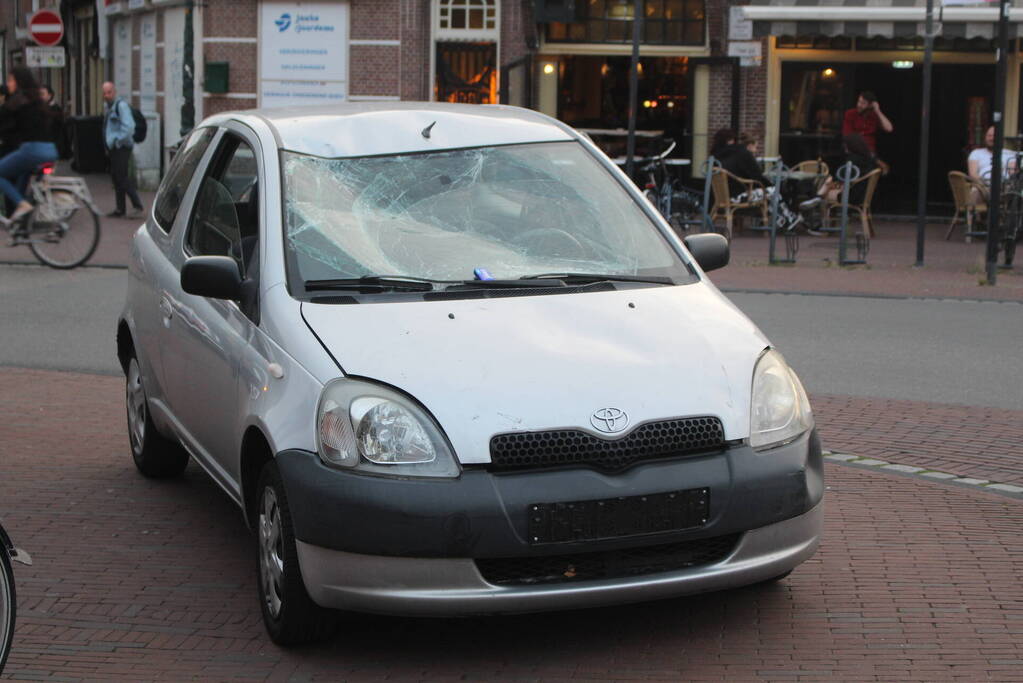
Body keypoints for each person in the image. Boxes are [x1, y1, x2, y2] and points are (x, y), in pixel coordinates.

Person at [712, 128, 802, 232]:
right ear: (730, 140)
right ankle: (789, 219)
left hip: (724, 196)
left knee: (767, 194)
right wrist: (769, 185)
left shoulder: (715, 157)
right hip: (740, 196)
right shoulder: (740, 153)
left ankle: (781, 219)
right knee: (773, 191)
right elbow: (756, 175)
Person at [0, 66, 57, 223]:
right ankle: (21, 224)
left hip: (32, 150)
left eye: (10, 80)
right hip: (51, 150)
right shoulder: (36, 101)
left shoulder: (17, 101)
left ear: (18, 82)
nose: (8, 84)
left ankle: (22, 206)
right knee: (20, 182)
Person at [801, 133, 878, 235]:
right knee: (827, 184)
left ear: (851, 146)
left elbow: (842, 177)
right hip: (862, 195)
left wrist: (832, 183)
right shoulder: (868, 159)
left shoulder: (852, 160)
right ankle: (817, 198)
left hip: (851, 195)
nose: (844, 147)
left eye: (845, 145)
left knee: (824, 188)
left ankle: (817, 210)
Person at [102, 81, 144, 218]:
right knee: (116, 177)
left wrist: (118, 141)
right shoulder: (109, 107)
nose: (106, 95)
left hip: (122, 147)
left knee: (122, 177)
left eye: (109, 92)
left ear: (114, 92)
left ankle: (137, 205)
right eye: (104, 92)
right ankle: (120, 209)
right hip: (114, 147)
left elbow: (129, 127)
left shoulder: (121, 106)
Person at [968, 125, 1017, 203]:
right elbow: (973, 174)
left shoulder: (1009, 154)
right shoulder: (976, 153)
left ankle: (1002, 214)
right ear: (985, 137)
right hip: (982, 186)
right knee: (975, 191)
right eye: (989, 136)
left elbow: (1012, 174)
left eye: (994, 136)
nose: (991, 138)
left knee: (1013, 190)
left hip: (1004, 187)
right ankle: (970, 214)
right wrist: (986, 184)